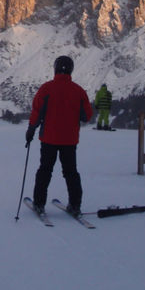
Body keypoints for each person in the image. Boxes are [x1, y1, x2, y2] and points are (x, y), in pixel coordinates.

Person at [25, 55, 93, 216]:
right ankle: (75, 205)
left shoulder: (46, 89)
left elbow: (36, 112)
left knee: (45, 170)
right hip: (69, 140)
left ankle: (39, 203)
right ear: (71, 70)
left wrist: (30, 131)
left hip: (48, 138)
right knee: (71, 172)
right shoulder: (78, 91)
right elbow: (87, 116)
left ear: (55, 68)